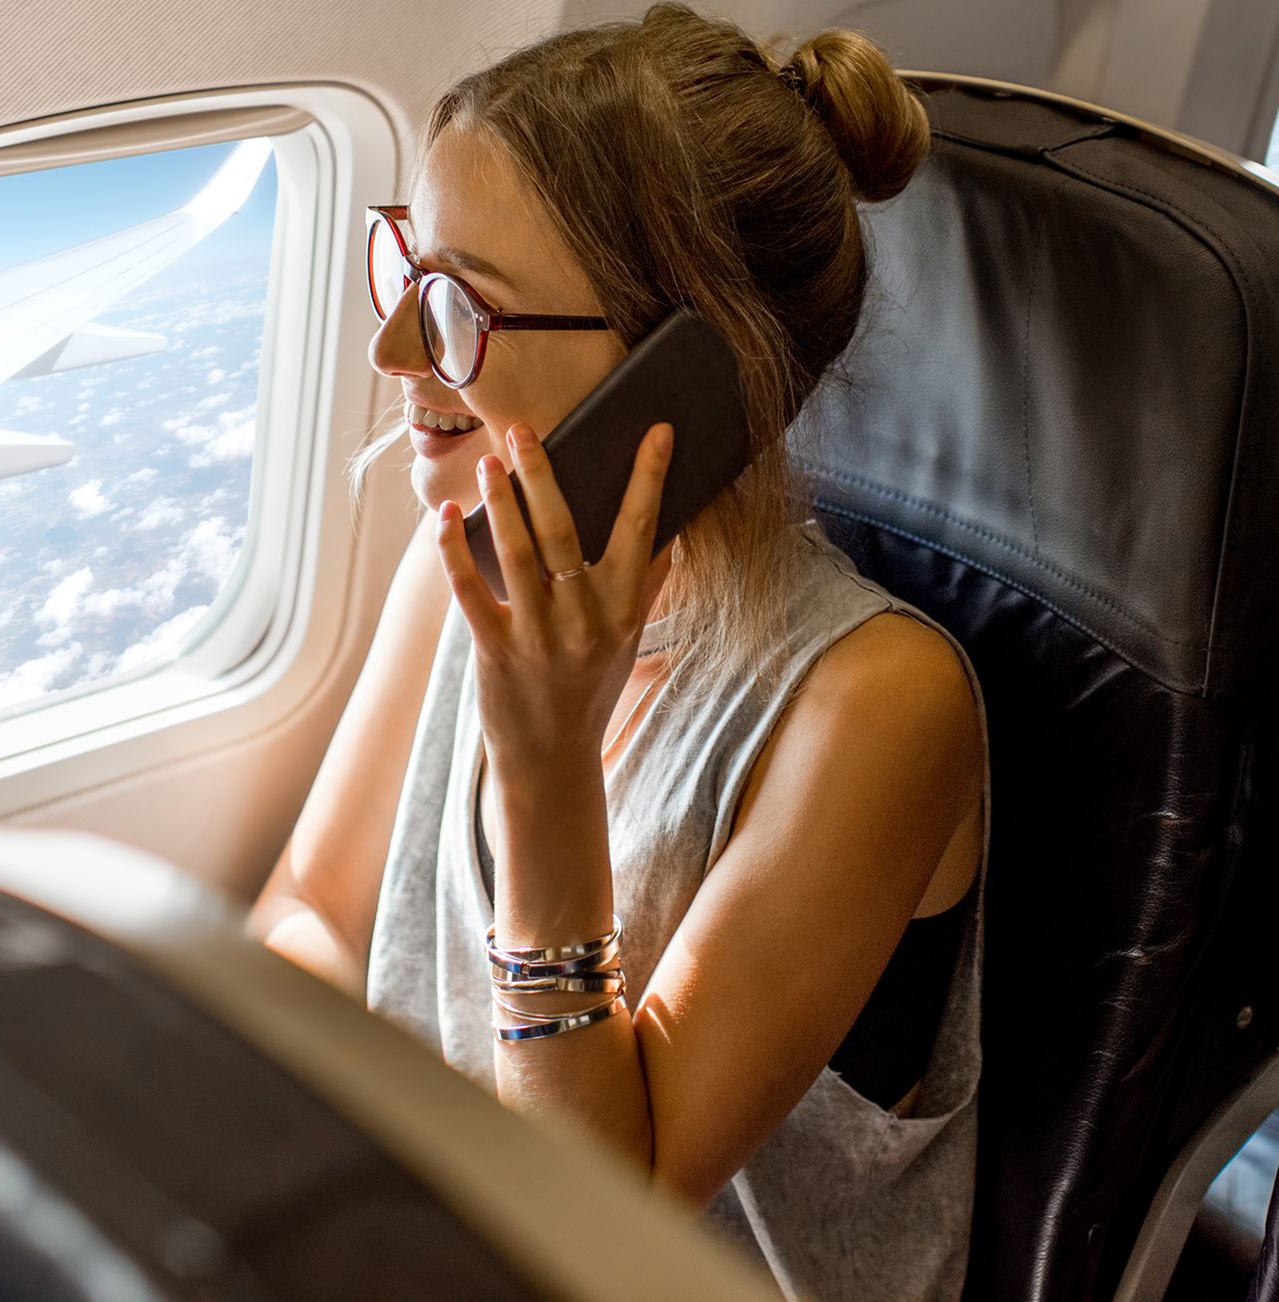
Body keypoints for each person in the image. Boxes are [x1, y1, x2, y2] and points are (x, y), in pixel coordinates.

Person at [247, 4, 989, 1297]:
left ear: (682, 379)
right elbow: (314, 909)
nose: (394, 353)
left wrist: (543, 772)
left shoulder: (875, 708)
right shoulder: (461, 559)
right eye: (406, 276)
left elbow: (600, 1225)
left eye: (462, 313)